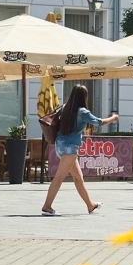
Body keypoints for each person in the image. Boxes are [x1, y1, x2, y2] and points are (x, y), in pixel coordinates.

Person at [42, 84, 118, 216]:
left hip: (60, 145)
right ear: (84, 97)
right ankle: (47, 206)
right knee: (59, 178)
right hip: (70, 148)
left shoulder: (65, 107)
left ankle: (90, 205)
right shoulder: (83, 112)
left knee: (78, 178)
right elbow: (99, 122)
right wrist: (114, 118)